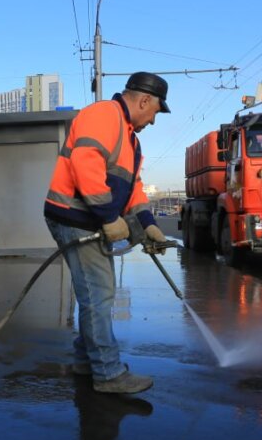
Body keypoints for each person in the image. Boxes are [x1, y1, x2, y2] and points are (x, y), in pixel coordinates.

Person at [43, 71, 171, 394]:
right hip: (73, 217)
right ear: (144, 100)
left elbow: (134, 188)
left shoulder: (131, 141)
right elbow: (85, 164)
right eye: (155, 112)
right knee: (98, 294)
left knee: (98, 292)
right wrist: (109, 217)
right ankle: (108, 374)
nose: (153, 120)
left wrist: (148, 224)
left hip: (87, 219)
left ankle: (86, 361)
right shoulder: (104, 115)